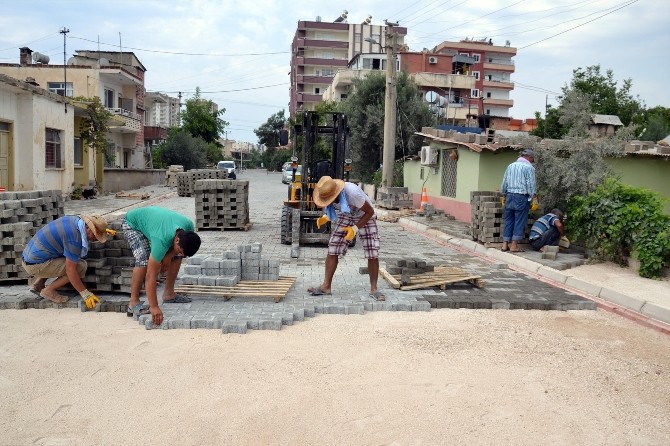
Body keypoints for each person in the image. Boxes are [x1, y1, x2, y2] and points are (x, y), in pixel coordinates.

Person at [307, 176, 385, 301]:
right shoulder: (327, 192)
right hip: (347, 214)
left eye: (330, 199)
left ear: (336, 194)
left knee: (372, 251)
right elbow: (333, 209)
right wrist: (326, 217)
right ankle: (326, 287)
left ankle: (374, 289)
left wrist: (354, 229)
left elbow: (370, 211)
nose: (328, 202)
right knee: (333, 247)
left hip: (365, 215)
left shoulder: (352, 194)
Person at [122, 206, 201, 325]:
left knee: (178, 256)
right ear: (177, 240)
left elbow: (178, 250)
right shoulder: (161, 240)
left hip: (156, 224)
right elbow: (150, 276)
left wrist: (169, 256)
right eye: (179, 249)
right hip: (132, 224)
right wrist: (154, 307)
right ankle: (133, 303)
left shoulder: (188, 226)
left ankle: (169, 294)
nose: (180, 252)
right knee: (143, 259)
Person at [22, 214, 109, 308]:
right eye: (95, 235)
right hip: (35, 265)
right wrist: (85, 293)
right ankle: (49, 290)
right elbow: (70, 270)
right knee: (80, 266)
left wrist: (102, 231)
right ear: (88, 228)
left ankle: (38, 284)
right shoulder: (75, 239)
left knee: (65, 254)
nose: (95, 239)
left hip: (29, 258)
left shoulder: (74, 220)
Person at [500, 148, 537, 253]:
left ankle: (504, 245)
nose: (532, 161)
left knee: (508, 220)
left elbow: (504, 182)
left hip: (509, 196)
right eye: (532, 159)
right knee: (519, 221)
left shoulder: (510, 166)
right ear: (529, 157)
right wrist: (533, 197)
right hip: (521, 196)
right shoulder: (529, 168)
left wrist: (504, 194)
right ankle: (514, 246)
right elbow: (531, 185)